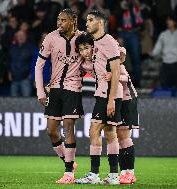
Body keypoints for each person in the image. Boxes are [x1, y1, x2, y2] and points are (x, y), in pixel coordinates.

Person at [76, 33, 139, 184]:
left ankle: (129, 172)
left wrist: (113, 76)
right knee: (113, 132)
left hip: (126, 97)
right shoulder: (87, 63)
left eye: (87, 48)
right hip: (111, 96)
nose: (84, 52)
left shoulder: (107, 56)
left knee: (123, 135)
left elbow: (125, 77)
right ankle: (118, 174)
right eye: (81, 49)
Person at [35, 9, 84, 184]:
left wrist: (120, 50)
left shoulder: (84, 38)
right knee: (51, 131)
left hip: (73, 88)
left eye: (63, 20)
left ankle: (69, 173)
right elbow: (39, 65)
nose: (59, 23)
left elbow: (100, 52)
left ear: (73, 21)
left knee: (68, 127)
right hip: (54, 89)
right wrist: (41, 91)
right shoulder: (51, 37)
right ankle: (69, 162)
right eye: (58, 20)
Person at [75, 10, 123, 185]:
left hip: (108, 95)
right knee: (110, 133)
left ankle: (94, 174)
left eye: (90, 20)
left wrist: (111, 100)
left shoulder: (108, 41)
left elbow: (116, 70)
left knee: (94, 130)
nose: (86, 23)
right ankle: (113, 176)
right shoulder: (95, 42)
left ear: (100, 23)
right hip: (105, 93)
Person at [152, 15, 177, 89]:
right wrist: (152, 53)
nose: (168, 22)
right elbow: (157, 48)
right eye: (167, 20)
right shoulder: (163, 34)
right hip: (165, 63)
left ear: (175, 22)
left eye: (170, 20)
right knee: (165, 86)